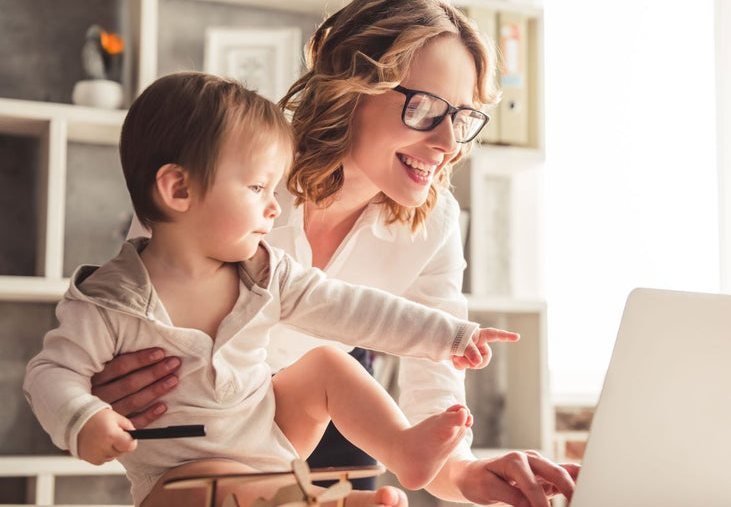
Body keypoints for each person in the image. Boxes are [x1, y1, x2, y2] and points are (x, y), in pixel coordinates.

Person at [92, 0, 580, 505]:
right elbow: (123, 328)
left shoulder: (433, 225)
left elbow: (433, 390)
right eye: (426, 108)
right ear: (353, 87)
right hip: (196, 432)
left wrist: (466, 474)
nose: (447, 144)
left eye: (459, 118)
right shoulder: (238, 181)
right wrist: (96, 388)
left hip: (323, 417)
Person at [23, 72, 519, 507]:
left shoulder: (265, 273)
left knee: (327, 361)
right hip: (179, 481)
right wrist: (83, 418)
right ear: (178, 190)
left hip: (273, 439)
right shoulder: (110, 300)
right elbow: (51, 372)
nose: (274, 206)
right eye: (258, 189)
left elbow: (354, 308)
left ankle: (401, 447)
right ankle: (320, 502)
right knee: (206, 484)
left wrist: (451, 336)